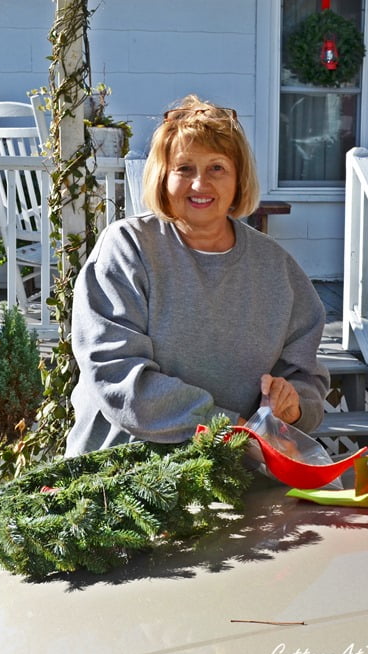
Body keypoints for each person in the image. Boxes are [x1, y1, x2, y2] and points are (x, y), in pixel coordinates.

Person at [65, 94, 329, 457]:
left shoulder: (276, 268)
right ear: (162, 177)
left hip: (237, 472)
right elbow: (116, 375)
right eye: (184, 168)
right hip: (121, 474)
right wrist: (230, 426)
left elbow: (307, 376)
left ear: (238, 179)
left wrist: (292, 405)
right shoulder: (128, 249)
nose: (200, 183)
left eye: (217, 168)